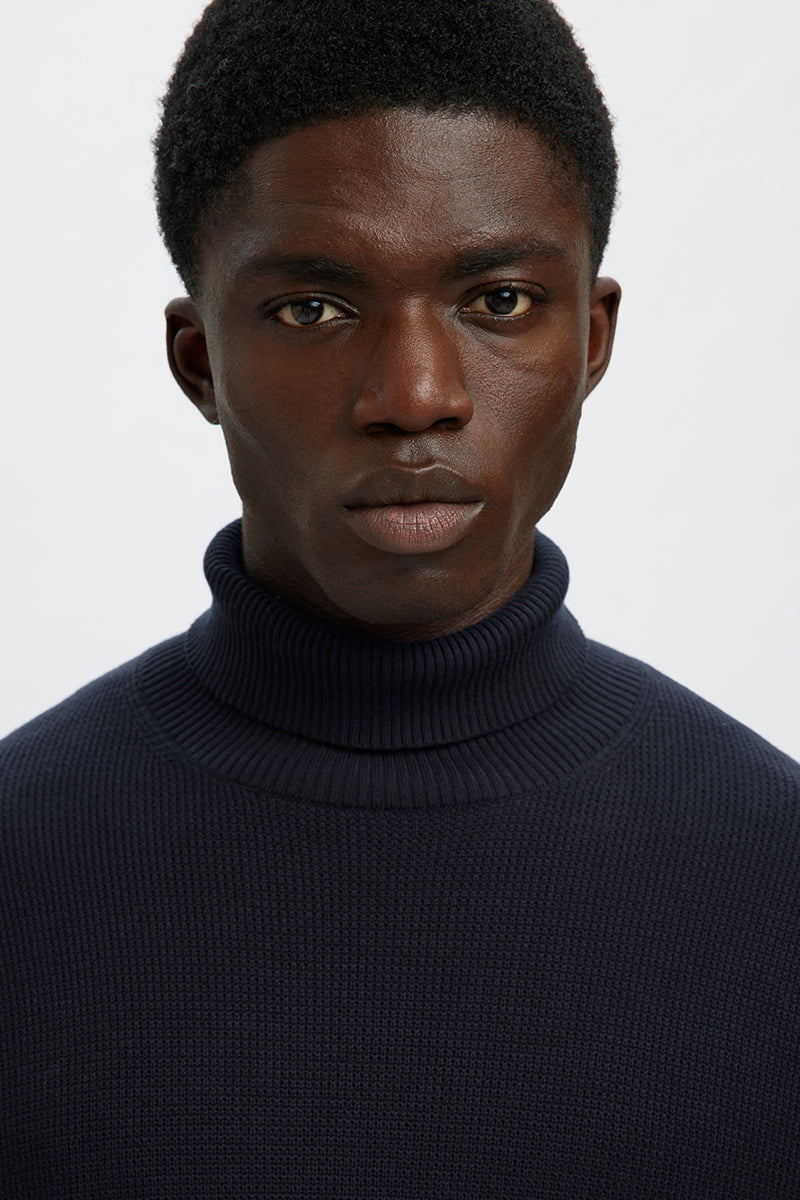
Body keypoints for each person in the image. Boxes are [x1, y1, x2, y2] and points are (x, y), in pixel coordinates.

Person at [1, 0, 798, 1194]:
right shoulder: (21, 870)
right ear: (199, 362)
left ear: (590, 340)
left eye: (498, 302)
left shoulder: (772, 873)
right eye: (312, 309)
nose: (415, 395)